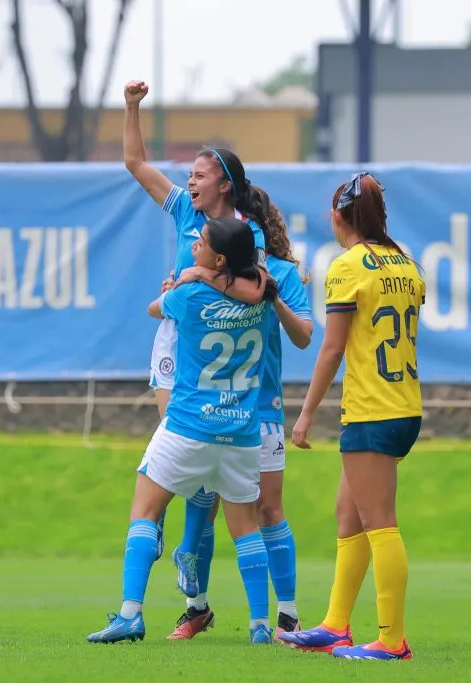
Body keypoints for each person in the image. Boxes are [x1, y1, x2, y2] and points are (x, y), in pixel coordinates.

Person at [86, 216, 279, 645]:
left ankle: (131, 614)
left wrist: (192, 279)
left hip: (189, 425)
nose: (195, 246)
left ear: (220, 258)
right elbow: (259, 282)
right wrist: (213, 275)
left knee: (146, 511)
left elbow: (156, 307)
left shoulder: (189, 295)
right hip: (242, 433)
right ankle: (260, 626)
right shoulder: (262, 300)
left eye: (203, 243)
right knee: (245, 527)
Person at [122, 79, 269, 567]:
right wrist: (132, 107)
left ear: (224, 183)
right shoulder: (185, 210)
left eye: (199, 174)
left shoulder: (246, 231)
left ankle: (188, 546)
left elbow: (255, 288)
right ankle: (164, 527)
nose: (189, 181)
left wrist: (199, 275)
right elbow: (137, 165)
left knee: (198, 448)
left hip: (216, 345)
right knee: (176, 437)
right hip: (175, 336)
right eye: (188, 173)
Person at [278, 172, 424, 661]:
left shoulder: (348, 266)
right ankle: (336, 625)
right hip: (403, 405)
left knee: (380, 522)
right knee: (350, 515)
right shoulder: (406, 263)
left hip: (372, 410)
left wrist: (304, 416)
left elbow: (332, 348)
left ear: (340, 215)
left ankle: (391, 640)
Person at [166, 187, 314, 641]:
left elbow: (305, 335)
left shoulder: (281, 274)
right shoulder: (212, 272)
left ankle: (285, 616)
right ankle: (197, 608)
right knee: (202, 505)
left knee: (268, 508)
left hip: (261, 407)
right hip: (212, 407)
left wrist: (274, 299)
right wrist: (195, 276)